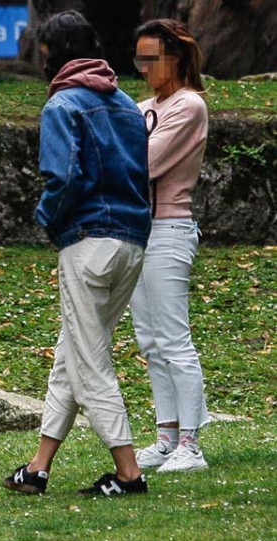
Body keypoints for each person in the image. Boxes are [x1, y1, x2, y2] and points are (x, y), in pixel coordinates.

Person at [2, 11, 152, 496]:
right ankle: (38, 467)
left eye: (45, 53)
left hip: (88, 241)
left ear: (57, 54)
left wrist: (47, 218)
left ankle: (128, 473)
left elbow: (64, 176)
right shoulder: (128, 104)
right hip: (132, 240)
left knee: (89, 362)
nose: (42, 61)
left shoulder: (62, 105)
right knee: (72, 353)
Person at [130, 19, 210, 473]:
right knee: (150, 340)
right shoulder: (142, 106)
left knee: (174, 338)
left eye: (151, 58)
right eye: (138, 58)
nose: (143, 67)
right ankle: (166, 437)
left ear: (175, 59)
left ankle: (190, 444)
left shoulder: (189, 106)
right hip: (139, 231)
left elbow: (143, 162)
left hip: (169, 229)